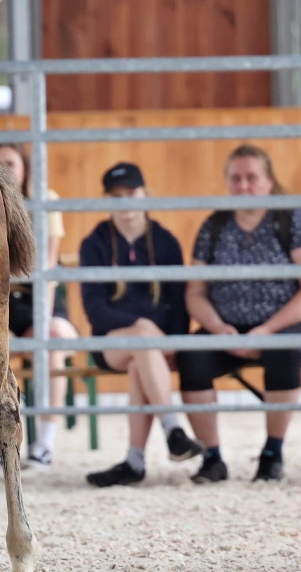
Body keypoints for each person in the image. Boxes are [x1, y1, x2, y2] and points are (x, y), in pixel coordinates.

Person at [177, 144, 301, 484]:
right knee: (191, 357)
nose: (243, 185)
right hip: (226, 327)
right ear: (227, 182)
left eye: (251, 178)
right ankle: (212, 458)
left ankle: (272, 453)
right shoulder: (214, 225)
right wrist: (216, 327)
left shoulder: (293, 219)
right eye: (236, 178)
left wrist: (269, 329)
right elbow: (196, 293)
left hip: (288, 324)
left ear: (269, 181)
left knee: (284, 352)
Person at [81, 162, 203, 488]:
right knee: (142, 340)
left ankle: (134, 461)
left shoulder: (165, 242)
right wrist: (144, 325)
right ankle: (172, 429)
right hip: (110, 341)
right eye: (115, 195)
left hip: (158, 345)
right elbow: (96, 312)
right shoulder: (95, 243)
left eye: (131, 193)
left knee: (141, 358)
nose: (125, 202)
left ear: (145, 194)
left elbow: (178, 303)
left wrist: (170, 339)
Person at [0, 143, 79, 471]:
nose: (6, 169)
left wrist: (42, 321)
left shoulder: (45, 200)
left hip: (38, 300)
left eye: (11, 163)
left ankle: (44, 442)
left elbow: (46, 266)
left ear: (25, 169)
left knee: (52, 342)